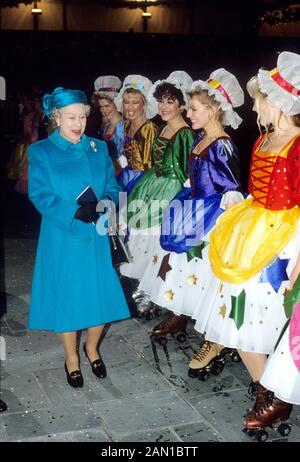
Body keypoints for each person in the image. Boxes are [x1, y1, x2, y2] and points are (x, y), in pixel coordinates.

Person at [183, 52, 300, 433]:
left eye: (259, 99)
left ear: (279, 102)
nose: (253, 107)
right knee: (240, 317)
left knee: (263, 320)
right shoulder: (263, 139)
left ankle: (274, 394)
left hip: (285, 236)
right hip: (253, 228)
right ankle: (268, 391)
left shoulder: (297, 146)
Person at [28, 86, 130, 388]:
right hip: (63, 235)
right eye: (70, 117)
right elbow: (39, 194)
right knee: (68, 298)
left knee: (100, 297)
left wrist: (105, 204)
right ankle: (71, 357)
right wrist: (72, 212)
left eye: (82, 117)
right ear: (57, 118)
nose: (77, 124)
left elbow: (113, 187)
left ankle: (92, 348)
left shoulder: (100, 148)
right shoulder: (42, 151)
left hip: (97, 234)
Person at [138, 69, 244, 342]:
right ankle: (178, 313)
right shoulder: (200, 138)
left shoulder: (223, 145)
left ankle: (195, 321)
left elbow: (231, 188)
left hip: (210, 214)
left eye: (195, 109)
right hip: (193, 205)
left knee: (197, 265)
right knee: (181, 262)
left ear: (213, 110)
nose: (191, 114)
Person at [119, 71, 195, 309]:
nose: (163, 106)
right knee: (138, 236)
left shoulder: (184, 133)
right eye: (161, 101)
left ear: (182, 105)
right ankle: (140, 291)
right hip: (151, 185)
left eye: (170, 101)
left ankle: (149, 295)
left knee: (153, 241)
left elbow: (185, 173)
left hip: (168, 192)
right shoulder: (163, 128)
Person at [115, 75, 157, 194]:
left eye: (135, 103)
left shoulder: (148, 129)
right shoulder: (127, 124)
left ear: (143, 105)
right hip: (126, 176)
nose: (130, 108)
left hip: (142, 183)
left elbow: (149, 167)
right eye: (127, 103)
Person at [93, 75, 124, 175]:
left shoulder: (124, 127)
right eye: (101, 106)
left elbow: (127, 157)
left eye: (107, 105)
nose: (104, 110)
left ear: (116, 104)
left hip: (121, 177)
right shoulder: (105, 125)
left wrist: (113, 169)